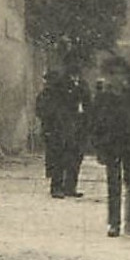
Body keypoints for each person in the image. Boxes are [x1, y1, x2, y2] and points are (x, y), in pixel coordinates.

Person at [88, 56, 130, 237]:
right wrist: (98, 146)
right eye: (113, 74)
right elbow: (95, 122)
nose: (117, 78)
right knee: (113, 184)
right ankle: (114, 222)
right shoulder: (103, 98)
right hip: (111, 144)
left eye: (120, 74)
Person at [35, 65, 88, 198]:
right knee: (57, 159)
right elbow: (42, 112)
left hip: (72, 129)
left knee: (73, 159)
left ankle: (70, 187)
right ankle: (56, 187)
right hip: (55, 131)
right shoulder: (48, 94)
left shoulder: (76, 90)